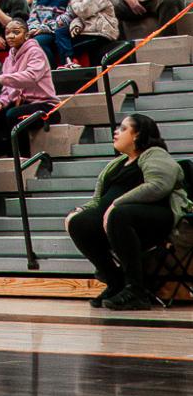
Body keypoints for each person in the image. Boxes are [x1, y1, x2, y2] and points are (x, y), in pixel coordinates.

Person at [66, 111, 190, 311]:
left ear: (137, 135)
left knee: (119, 215)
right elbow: (98, 200)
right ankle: (116, 282)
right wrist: (79, 211)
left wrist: (116, 204)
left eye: (123, 128)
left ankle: (136, 290)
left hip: (156, 218)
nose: (116, 132)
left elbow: (158, 185)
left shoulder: (155, 154)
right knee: (78, 222)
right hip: (118, 222)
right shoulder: (116, 164)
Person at [0, 18, 57, 156]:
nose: (10, 36)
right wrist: (2, 102)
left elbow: (30, 77)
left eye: (16, 32)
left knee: (14, 115)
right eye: (7, 32)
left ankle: (23, 157)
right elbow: (8, 90)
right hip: (20, 104)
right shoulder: (9, 58)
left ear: (26, 35)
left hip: (46, 106)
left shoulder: (36, 52)